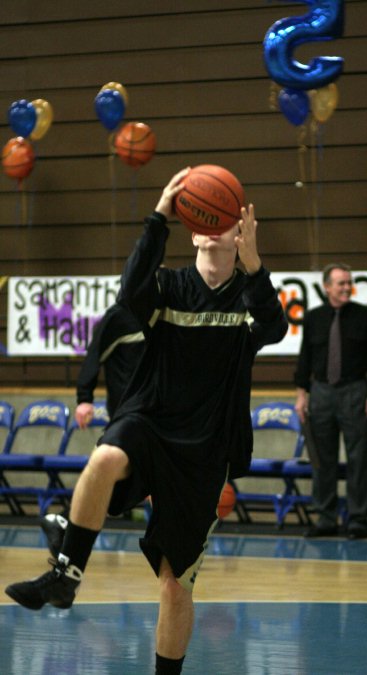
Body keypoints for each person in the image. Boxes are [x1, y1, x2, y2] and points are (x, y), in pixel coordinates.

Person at [6, 168, 288, 675]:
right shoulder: (168, 286)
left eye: (222, 219)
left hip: (205, 448)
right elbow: (129, 291)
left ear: (238, 228)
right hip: (151, 420)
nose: (211, 225)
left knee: (175, 581)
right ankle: (66, 575)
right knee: (106, 455)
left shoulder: (249, 295)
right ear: (193, 227)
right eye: (203, 219)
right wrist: (158, 215)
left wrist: (256, 266)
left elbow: (274, 326)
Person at [41, 303, 145, 558]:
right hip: (128, 413)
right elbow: (93, 353)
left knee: (130, 484)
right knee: (120, 478)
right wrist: (84, 397)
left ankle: (65, 522)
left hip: (153, 413)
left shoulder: (163, 315)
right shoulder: (120, 315)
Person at [294, 263, 367, 539]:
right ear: (327, 287)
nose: (346, 287)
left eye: (349, 283)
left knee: (359, 458)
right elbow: (304, 360)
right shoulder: (313, 317)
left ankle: (357, 518)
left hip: (355, 391)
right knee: (323, 459)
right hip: (320, 392)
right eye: (341, 283)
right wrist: (301, 396)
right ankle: (325, 517)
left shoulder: (364, 316)